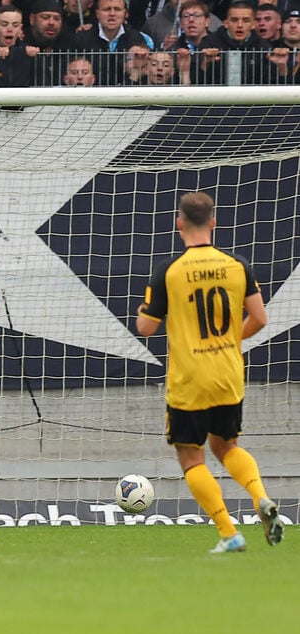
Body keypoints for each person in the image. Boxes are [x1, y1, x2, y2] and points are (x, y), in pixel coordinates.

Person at [135, 191, 284, 553]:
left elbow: (146, 327)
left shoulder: (169, 270)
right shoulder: (237, 265)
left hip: (188, 379)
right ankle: (260, 497)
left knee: (191, 456)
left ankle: (228, 532)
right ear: (214, 223)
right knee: (227, 445)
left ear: (179, 223)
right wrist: (231, 341)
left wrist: (149, 304)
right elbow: (260, 318)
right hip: (228, 374)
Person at [69, 0, 154, 86]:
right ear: (97, 14)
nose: (112, 14)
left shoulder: (136, 39)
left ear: (126, 13)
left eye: (117, 9)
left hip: (128, 94)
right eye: (106, 9)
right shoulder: (81, 39)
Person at [0, 4, 38, 86]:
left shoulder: (27, 50)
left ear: (20, 28)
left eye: (15, 25)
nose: (10, 29)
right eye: (4, 24)